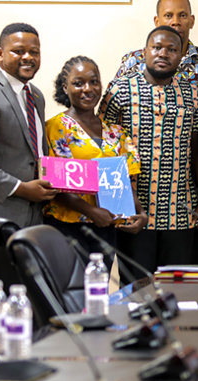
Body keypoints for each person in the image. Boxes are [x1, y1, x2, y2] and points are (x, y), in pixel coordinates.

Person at [115, 0, 198, 264]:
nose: (175, 21)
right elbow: (110, 136)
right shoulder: (128, 68)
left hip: (185, 193)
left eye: (182, 15)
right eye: (168, 15)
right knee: (138, 283)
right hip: (135, 192)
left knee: (188, 278)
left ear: (192, 20)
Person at [100, 26, 198, 277]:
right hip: (133, 212)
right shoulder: (119, 90)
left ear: (181, 55)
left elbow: (196, 149)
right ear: (145, 51)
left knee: (178, 290)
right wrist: (115, 205)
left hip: (180, 210)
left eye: (172, 49)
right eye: (157, 47)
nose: (163, 54)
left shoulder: (192, 94)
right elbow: (104, 150)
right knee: (136, 291)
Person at [44, 57, 147, 269]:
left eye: (94, 81)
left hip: (107, 227)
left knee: (98, 292)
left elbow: (126, 182)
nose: (87, 89)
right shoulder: (56, 127)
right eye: (78, 83)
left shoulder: (116, 132)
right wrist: (91, 212)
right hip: (66, 226)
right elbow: (56, 183)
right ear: (65, 87)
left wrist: (141, 213)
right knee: (71, 296)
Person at [0, 23, 57, 226]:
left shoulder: (36, 95)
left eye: (34, 52)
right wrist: (20, 187)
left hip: (35, 216)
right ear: (0, 54)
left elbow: (36, 152)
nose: (28, 57)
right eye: (19, 51)